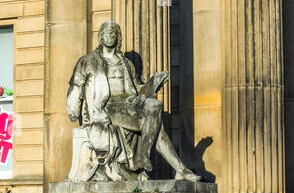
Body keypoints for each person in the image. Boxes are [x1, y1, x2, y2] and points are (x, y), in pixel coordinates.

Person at [66, 21, 200, 182]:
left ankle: (144, 158)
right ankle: (179, 169)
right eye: (106, 33)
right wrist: (73, 110)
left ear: (118, 37)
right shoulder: (88, 61)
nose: (110, 35)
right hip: (108, 108)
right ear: (101, 37)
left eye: (113, 33)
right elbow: (76, 86)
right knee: (155, 125)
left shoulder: (126, 63)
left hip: (129, 104)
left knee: (155, 105)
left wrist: (152, 83)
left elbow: (137, 90)